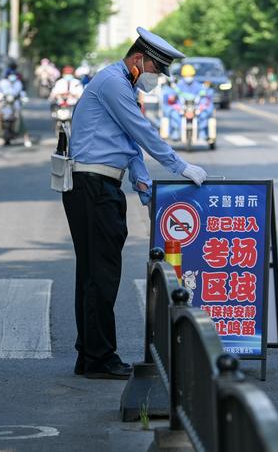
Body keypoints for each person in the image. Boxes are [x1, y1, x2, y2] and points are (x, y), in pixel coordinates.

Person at [63, 27, 207, 380]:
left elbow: (127, 143)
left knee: (94, 273)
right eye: (156, 71)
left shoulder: (121, 84)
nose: (156, 79)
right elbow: (140, 130)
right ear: (138, 60)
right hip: (93, 186)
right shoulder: (114, 83)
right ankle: (99, 358)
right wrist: (180, 164)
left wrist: (144, 186)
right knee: (101, 273)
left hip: (97, 185)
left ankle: (90, 354)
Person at [168, 64, 214, 141]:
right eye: (186, 75)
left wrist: (203, 98)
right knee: (174, 114)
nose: (188, 77)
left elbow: (205, 95)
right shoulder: (179, 85)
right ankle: (175, 132)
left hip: (195, 107)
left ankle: (202, 132)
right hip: (182, 107)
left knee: (204, 114)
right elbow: (172, 95)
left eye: (190, 75)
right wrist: (172, 98)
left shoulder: (198, 85)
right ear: (183, 75)